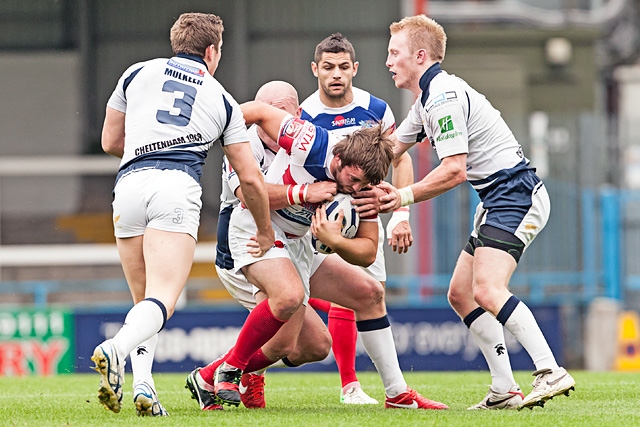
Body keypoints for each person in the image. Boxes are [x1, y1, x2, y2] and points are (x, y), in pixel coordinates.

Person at [186, 96, 449, 411]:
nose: (354, 189)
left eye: (362, 185)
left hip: (299, 243)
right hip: (257, 228)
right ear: (338, 158)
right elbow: (254, 110)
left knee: (365, 297)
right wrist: (211, 139)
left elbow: (366, 252)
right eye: (351, 180)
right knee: (288, 297)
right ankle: (230, 369)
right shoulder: (310, 140)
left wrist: (335, 241)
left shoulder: (364, 185)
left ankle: (397, 394)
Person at [370, 14, 575, 410]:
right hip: (496, 199)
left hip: (515, 193)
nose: (388, 61)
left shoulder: (444, 96)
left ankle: (550, 370)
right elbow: (388, 149)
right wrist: (339, 174)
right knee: (461, 294)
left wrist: (401, 199)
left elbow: (453, 169)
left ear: (420, 55)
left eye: (394, 53)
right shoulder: (427, 100)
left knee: (487, 289)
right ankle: (504, 390)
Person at [92, 12, 273, 416]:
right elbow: (251, 179)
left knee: (143, 301)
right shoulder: (222, 98)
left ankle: (144, 387)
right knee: (163, 300)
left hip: (129, 184)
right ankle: (116, 348)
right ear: (211, 51)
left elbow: (110, 141)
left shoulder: (136, 72)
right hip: (176, 185)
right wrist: (263, 230)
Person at [300, 32, 415, 405]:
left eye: (344, 67)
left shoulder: (376, 109)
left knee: (369, 294)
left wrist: (400, 212)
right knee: (344, 297)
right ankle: (350, 386)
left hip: (365, 218)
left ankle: (382, 390)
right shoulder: (304, 113)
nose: (336, 75)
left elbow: (400, 159)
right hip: (318, 220)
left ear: (355, 69)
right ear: (315, 69)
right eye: (328, 67)